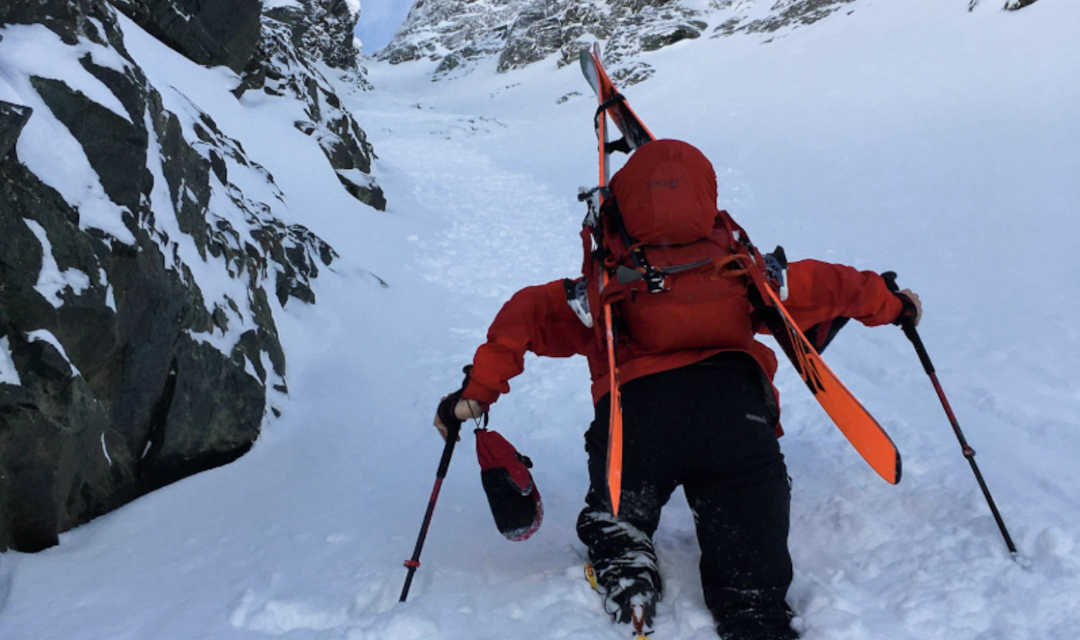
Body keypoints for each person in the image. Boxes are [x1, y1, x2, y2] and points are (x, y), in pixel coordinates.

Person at [434, 140, 920, 640]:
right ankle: (751, 609)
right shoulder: (745, 267)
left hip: (637, 427)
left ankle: (626, 563)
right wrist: (894, 303)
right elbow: (832, 285)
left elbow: (526, 314)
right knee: (751, 575)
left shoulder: (601, 283)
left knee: (618, 515)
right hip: (738, 424)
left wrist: (476, 393)